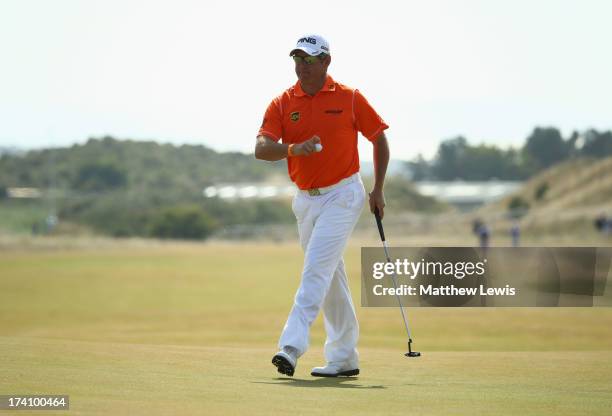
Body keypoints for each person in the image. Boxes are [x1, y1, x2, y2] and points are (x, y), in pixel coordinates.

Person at [255, 34, 390, 377]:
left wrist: (378, 189)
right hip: (305, 201)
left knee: (315, 269)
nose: (302, 67)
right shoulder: (283, 102)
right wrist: (293, 149)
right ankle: (344, 357)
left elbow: (379, 138)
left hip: (343, 194)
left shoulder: (350, 97)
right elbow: (262, 148)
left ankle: (290, 346)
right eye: (297, 60)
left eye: (309, 60)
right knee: (329, 277)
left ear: (326, 61)